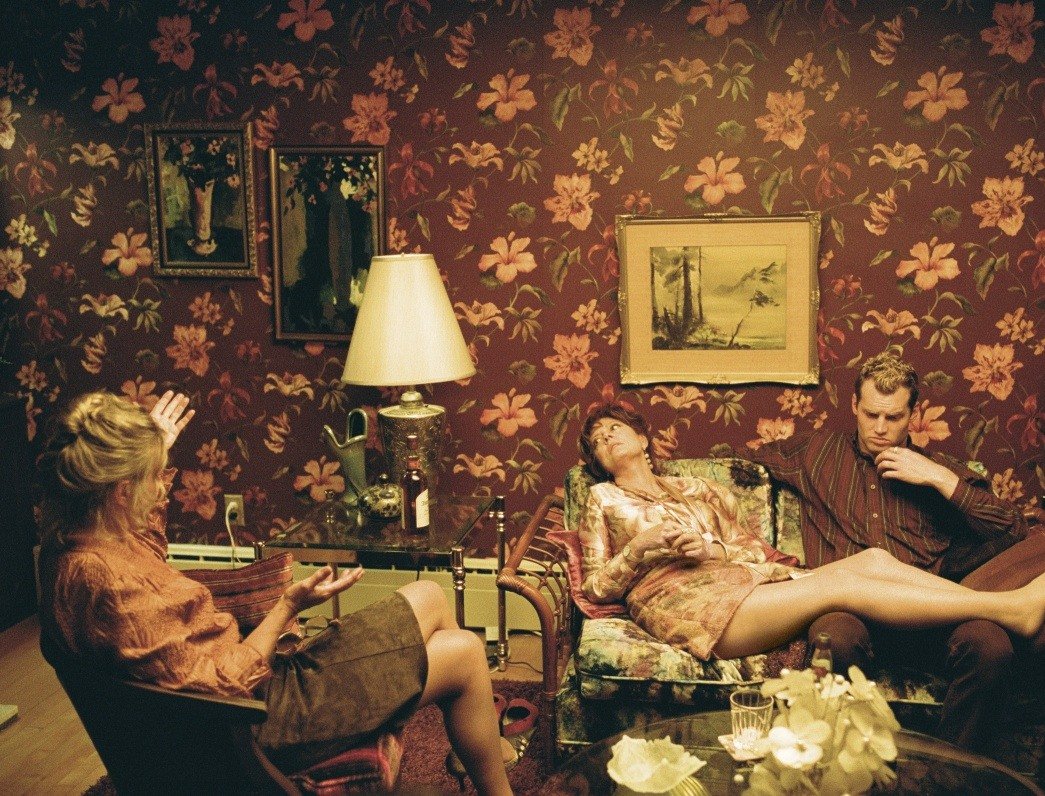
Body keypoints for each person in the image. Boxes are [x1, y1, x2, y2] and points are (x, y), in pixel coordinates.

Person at [36, 390, 512, 795]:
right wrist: (287, 608)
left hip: (257, 689)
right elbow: (225, 686)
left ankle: (474, 737)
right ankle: (490, 764)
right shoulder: (113, 588)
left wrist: (156, 445)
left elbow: (145, 549)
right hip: (258, 721)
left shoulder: (78, 547)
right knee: (465, 651)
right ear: (121, 492)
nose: (162, 489)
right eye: (153, 477)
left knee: (429, 593)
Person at [575, 402, 1045, 669]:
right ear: (597, 460)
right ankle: (1010, 609)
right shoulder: (601, 498)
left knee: (875, 559)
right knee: (842, 586)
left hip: (738, 582)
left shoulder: (698, 489)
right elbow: (595, 587)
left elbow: (746, 550)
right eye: (598, 440)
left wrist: (709, 548)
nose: (608, 437)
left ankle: (991, 604)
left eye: (616, 428)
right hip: (685, 604)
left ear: (643, 439)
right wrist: (637, 550)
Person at [749, 352, 1045, 754]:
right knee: (833, 636)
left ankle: (949, 773)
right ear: (854, 405)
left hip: (930, 614)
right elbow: (736, 467)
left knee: (991, 646)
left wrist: (941, 480)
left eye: (893, 417)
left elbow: (1014, 530)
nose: (880, 428)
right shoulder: (814, 453)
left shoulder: (939, 468)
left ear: (913, 414)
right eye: (871, 414)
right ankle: (839, 770)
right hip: (852, 612)